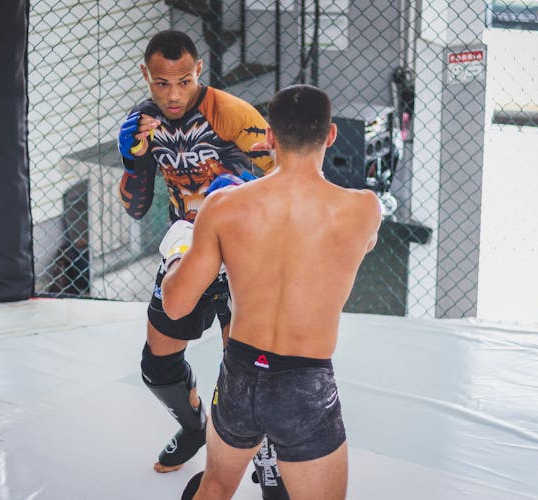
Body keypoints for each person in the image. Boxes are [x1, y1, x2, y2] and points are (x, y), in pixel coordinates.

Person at [160, 84, 382, 499]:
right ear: (330, 135)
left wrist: (177, 251)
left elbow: (175, 306)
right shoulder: (363, 209)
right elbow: (362, 244)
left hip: (242, 372)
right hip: (305, 381)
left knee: (215, 487)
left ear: (269, 137)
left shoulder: (223, 206)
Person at [116, 30, 280, 480]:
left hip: (243, 256)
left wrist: (243, 191)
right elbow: (135, 208)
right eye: (162, 83)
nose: (173, 94)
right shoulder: (144, 120)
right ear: (146, 74)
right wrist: (132, 161)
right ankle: (193, 429)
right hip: (186, 251)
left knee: (246, 376)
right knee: (157, 365)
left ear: (198, 71)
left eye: (184, 81)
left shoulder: (232, 116)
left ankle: (267, 467)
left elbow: (289, 181)